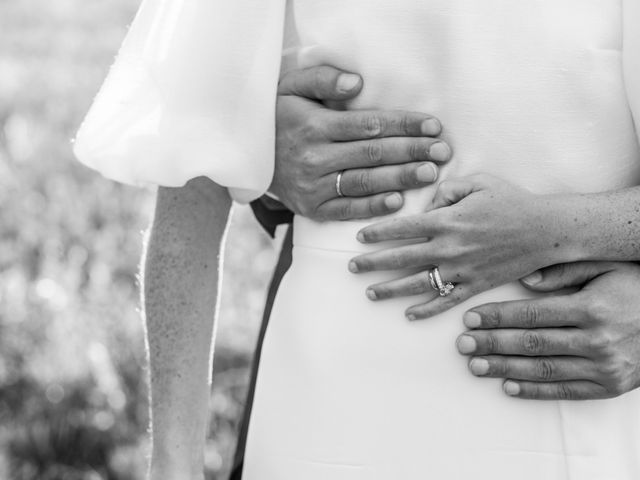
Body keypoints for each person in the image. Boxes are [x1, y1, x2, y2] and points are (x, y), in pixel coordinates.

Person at [73, 1, 640, 479]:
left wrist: (555, 230)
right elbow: (192, 167)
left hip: (584, 371)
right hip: (334, 396)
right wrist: (174, 465)